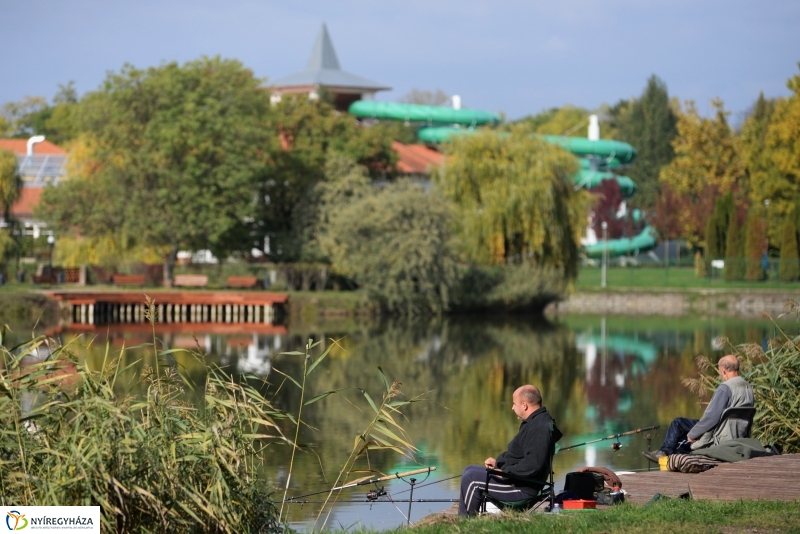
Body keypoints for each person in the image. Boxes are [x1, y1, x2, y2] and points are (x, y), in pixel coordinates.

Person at [458, 385, 562, 516]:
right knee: (469, 469)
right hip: (516, 481)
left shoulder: (539, 427)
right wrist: (498, 464)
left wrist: (504, 473)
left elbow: (533, 465)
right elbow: (519, 455)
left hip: (521, 489)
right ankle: (466, 519)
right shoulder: (534, 421)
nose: (512, 408)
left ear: (524, 405)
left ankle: (465, 523)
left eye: (514, 404)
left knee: (471, 478)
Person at [642, 354, 754, 462]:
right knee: (685, 429)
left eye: (720, 371)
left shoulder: (725, 388)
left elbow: (711, 418)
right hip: (737, 434)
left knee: (678, 423)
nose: (720, 374)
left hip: (721, 433)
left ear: (724, 370)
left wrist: (692, 434)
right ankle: (667, 453)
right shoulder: (748, 387)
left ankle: (664, 453)